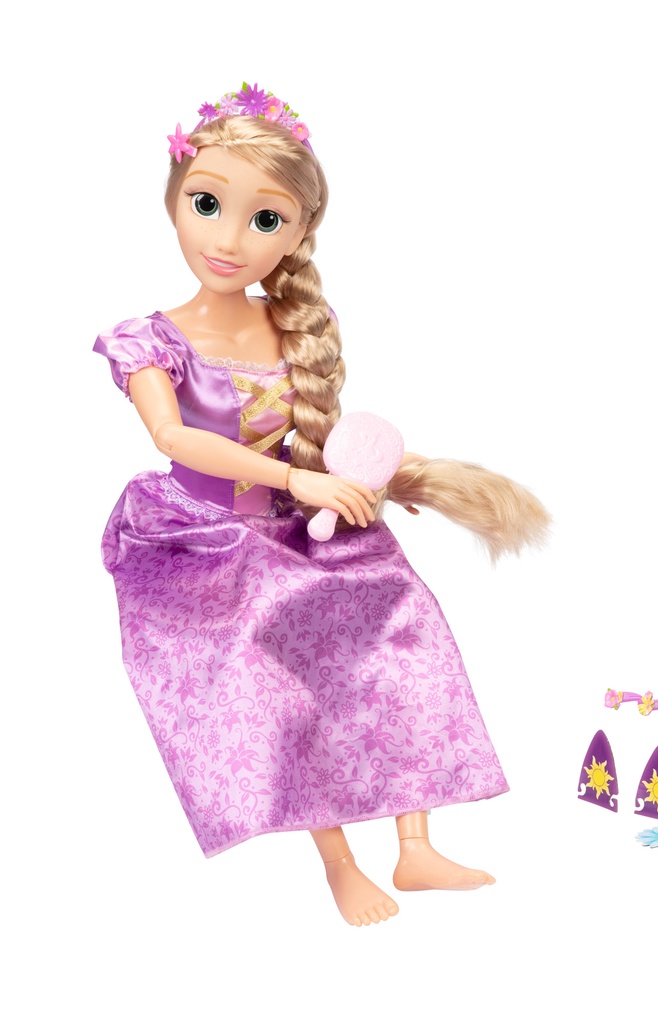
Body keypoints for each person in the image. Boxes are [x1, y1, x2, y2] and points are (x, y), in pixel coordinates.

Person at [94, 83, 548, 927]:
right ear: (174, 202)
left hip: (307, 526)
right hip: (207, 547)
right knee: (283, 691)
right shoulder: (149, 340)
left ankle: (415, 847)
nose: (229, 240)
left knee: (404, 639)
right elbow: (173, 437)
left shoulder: (297, 324)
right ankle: (341, 863)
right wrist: (295, 483)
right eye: (207, 205)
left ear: (299, 232)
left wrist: (370, 476)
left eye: (265, 219)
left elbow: (316, 434)